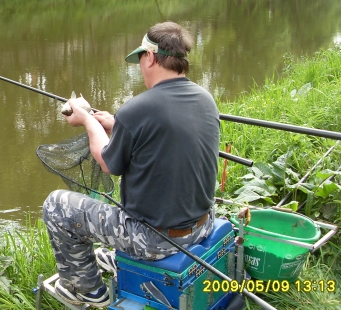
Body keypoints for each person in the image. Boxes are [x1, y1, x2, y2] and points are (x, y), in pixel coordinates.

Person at [42, 21, 220, 308]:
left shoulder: (137, 109)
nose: (140, 67)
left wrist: (87, 120)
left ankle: (87, 289)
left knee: (56, 205)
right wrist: (117, 125)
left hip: (155, 239)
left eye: (140, 59)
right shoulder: (205, 99)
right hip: (203, 225)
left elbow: (107, 162)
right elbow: (163, 135)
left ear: (150, 57)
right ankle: (120, 258)